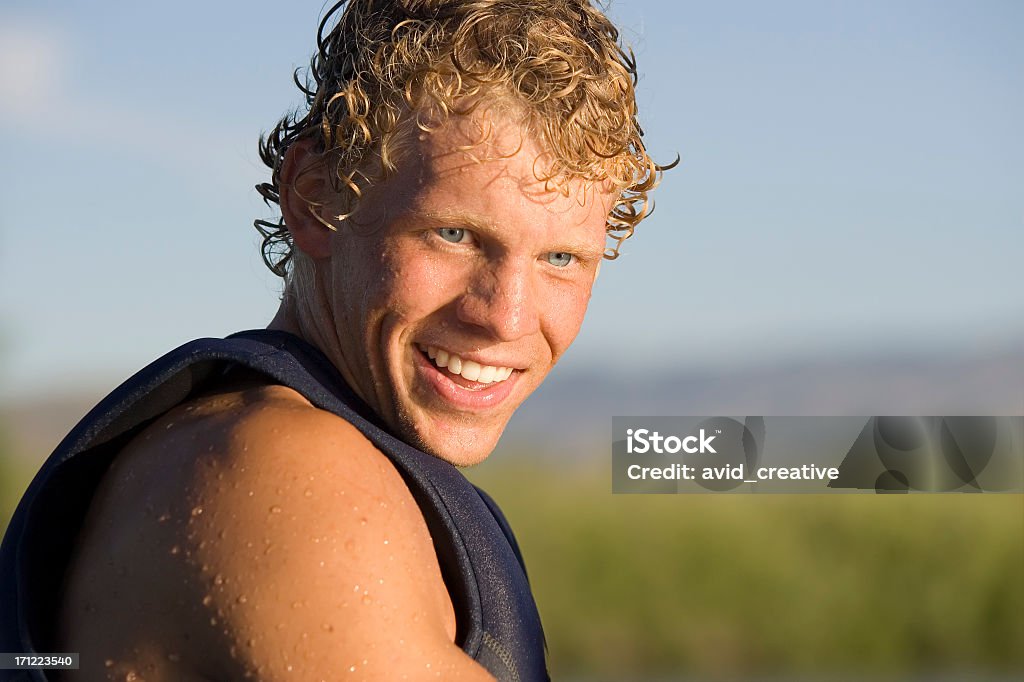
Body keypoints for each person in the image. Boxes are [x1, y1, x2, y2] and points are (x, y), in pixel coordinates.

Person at [0, 0, 667, 679]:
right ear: (316, 200)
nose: (507, 317)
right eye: (455, 235)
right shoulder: (283, 473)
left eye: (560, 259)